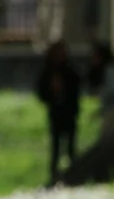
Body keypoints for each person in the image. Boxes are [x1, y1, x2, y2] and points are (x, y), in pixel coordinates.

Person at [35, 40, 81, 186]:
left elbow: (76, 87)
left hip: (69, 112)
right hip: (56, 113)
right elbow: (42, 92)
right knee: (56, 146)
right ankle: (54, 174)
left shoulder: (70, 70)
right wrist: (52, 92)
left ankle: (73, 174)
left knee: (70, 146)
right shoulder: (49, 71)